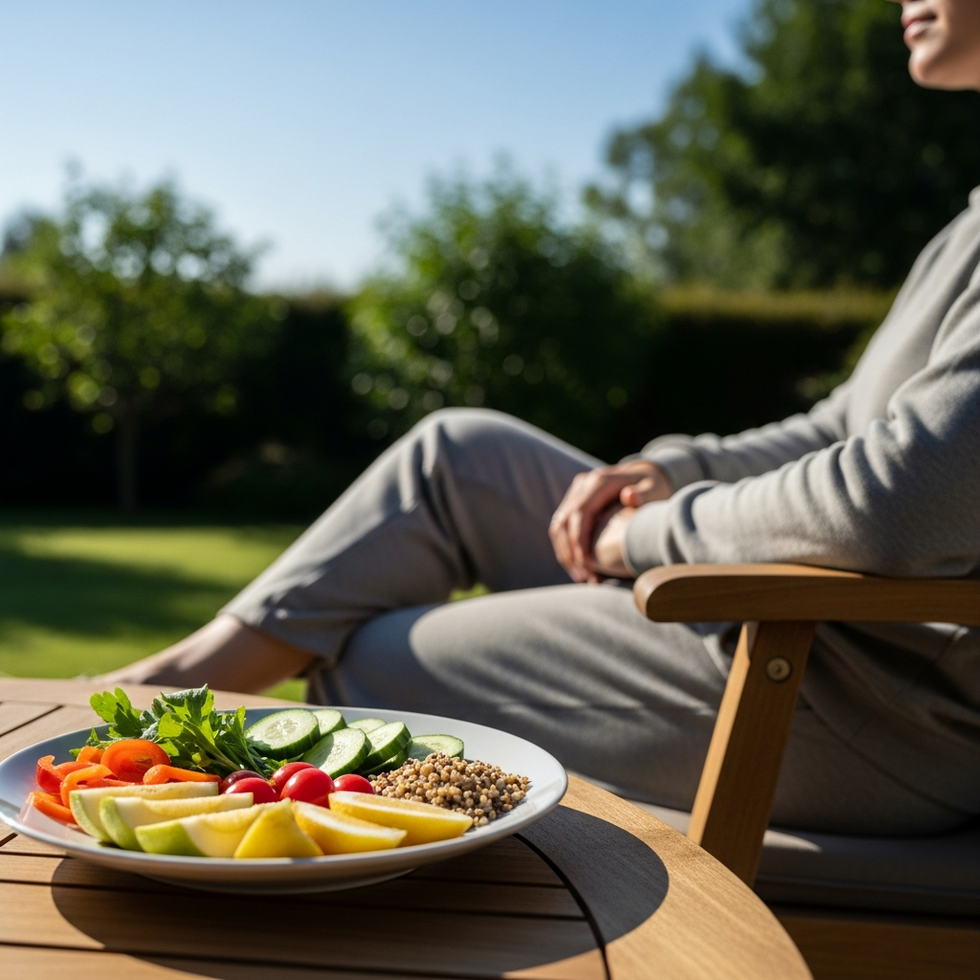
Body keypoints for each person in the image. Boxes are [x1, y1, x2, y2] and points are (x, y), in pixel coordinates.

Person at [103, 0, 980, 836]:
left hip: (877, 702)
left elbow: (897, 502)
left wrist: (641, 537)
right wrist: (672, 470)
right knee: (458, 456)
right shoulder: (963, 228)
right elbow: (842, 428)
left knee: (367, 662)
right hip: (840, 643)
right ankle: (160, 689)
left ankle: (150, 756)